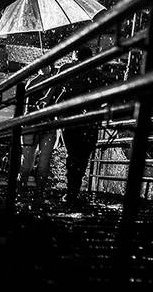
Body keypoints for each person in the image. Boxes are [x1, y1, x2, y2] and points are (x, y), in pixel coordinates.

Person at [43, 46, 112, 206]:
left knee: (72, 154)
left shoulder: (68, 69)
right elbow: (108, 93)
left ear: (75, 56)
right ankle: (75, 189)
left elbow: (55, 85)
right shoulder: (97, 74)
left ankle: (71, 191)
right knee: (83, 155)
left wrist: (48, 100)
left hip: (71, 119)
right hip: (90, 121)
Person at [18, 63, 58, 199]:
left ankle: (38, 192)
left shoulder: (56, 80)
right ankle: (22, 189)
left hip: (47, 124)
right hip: (32, 124)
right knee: (27, 162)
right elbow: (26, 96)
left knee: (43, 162)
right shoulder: (32, 81)